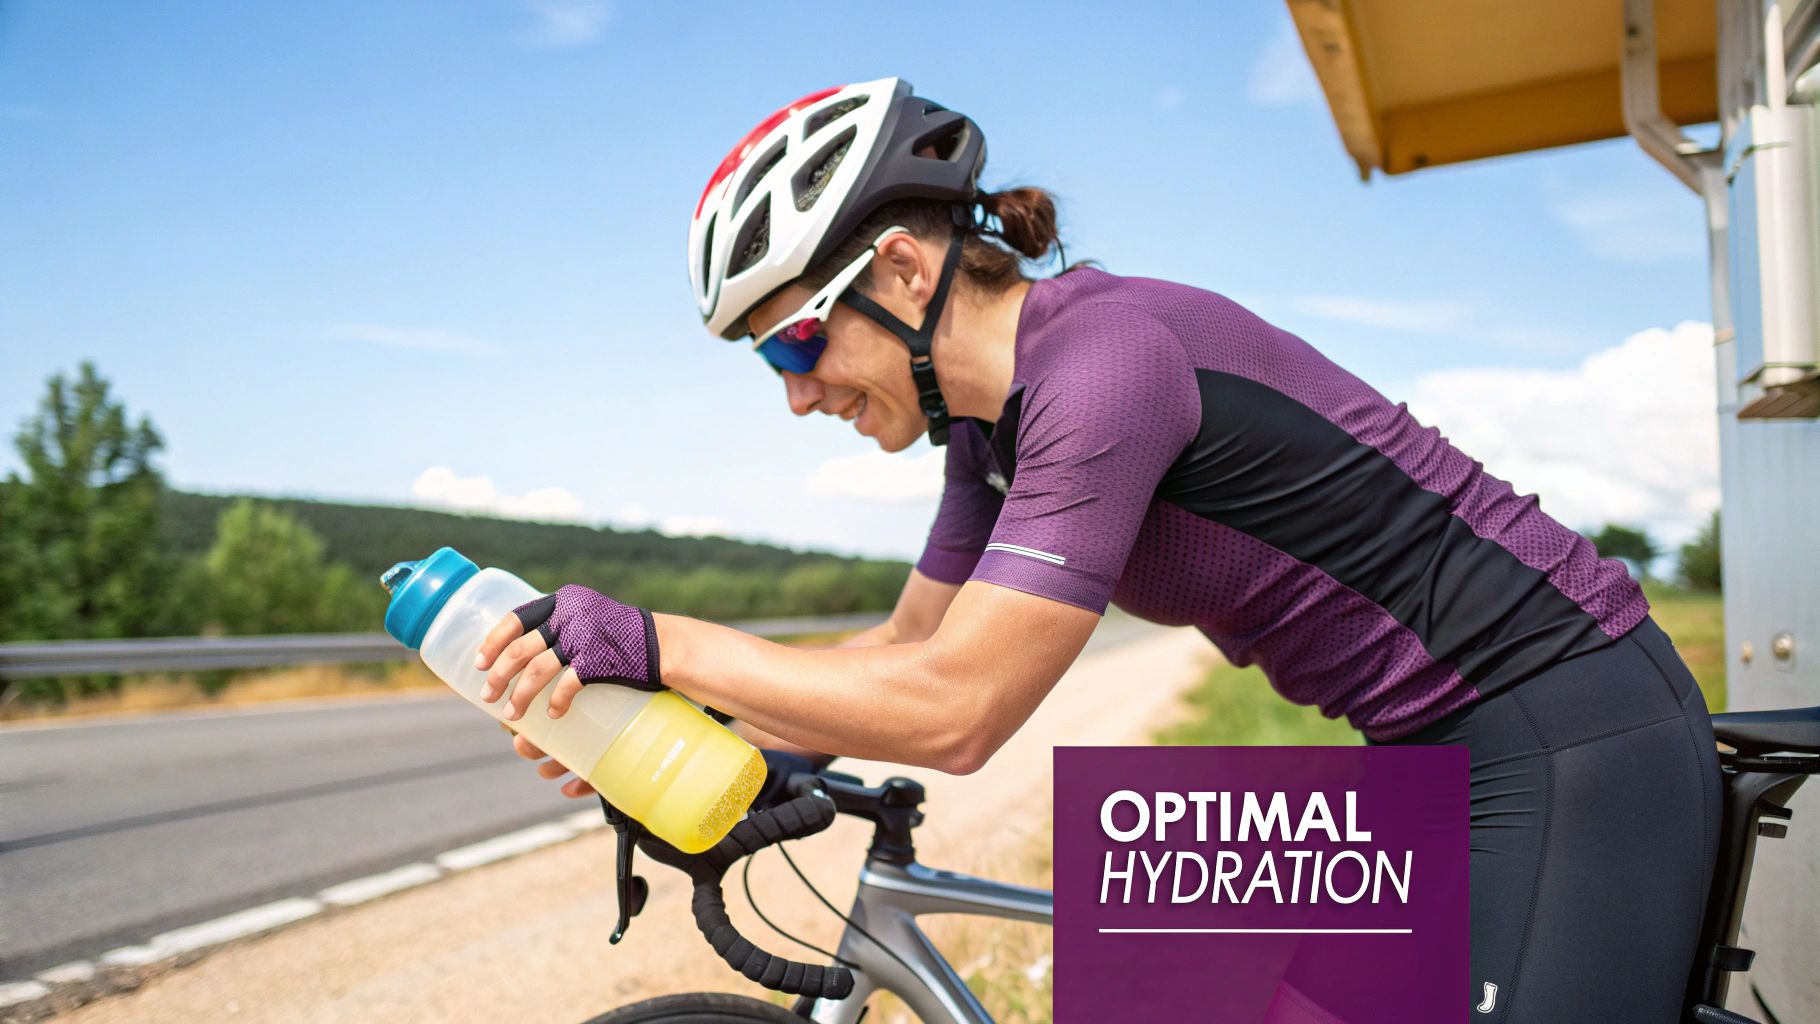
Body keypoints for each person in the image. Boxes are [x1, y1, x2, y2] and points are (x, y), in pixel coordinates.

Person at [473, 78, 1721, 1021]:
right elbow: (907, 643)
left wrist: (659, 639)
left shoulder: (1104, 367)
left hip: (1567, 733)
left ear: (899, 270)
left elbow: (954, 710)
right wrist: (710, 750)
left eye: (793, 343)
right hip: (1423, 752)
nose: (796, 395)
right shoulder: (986, 431)